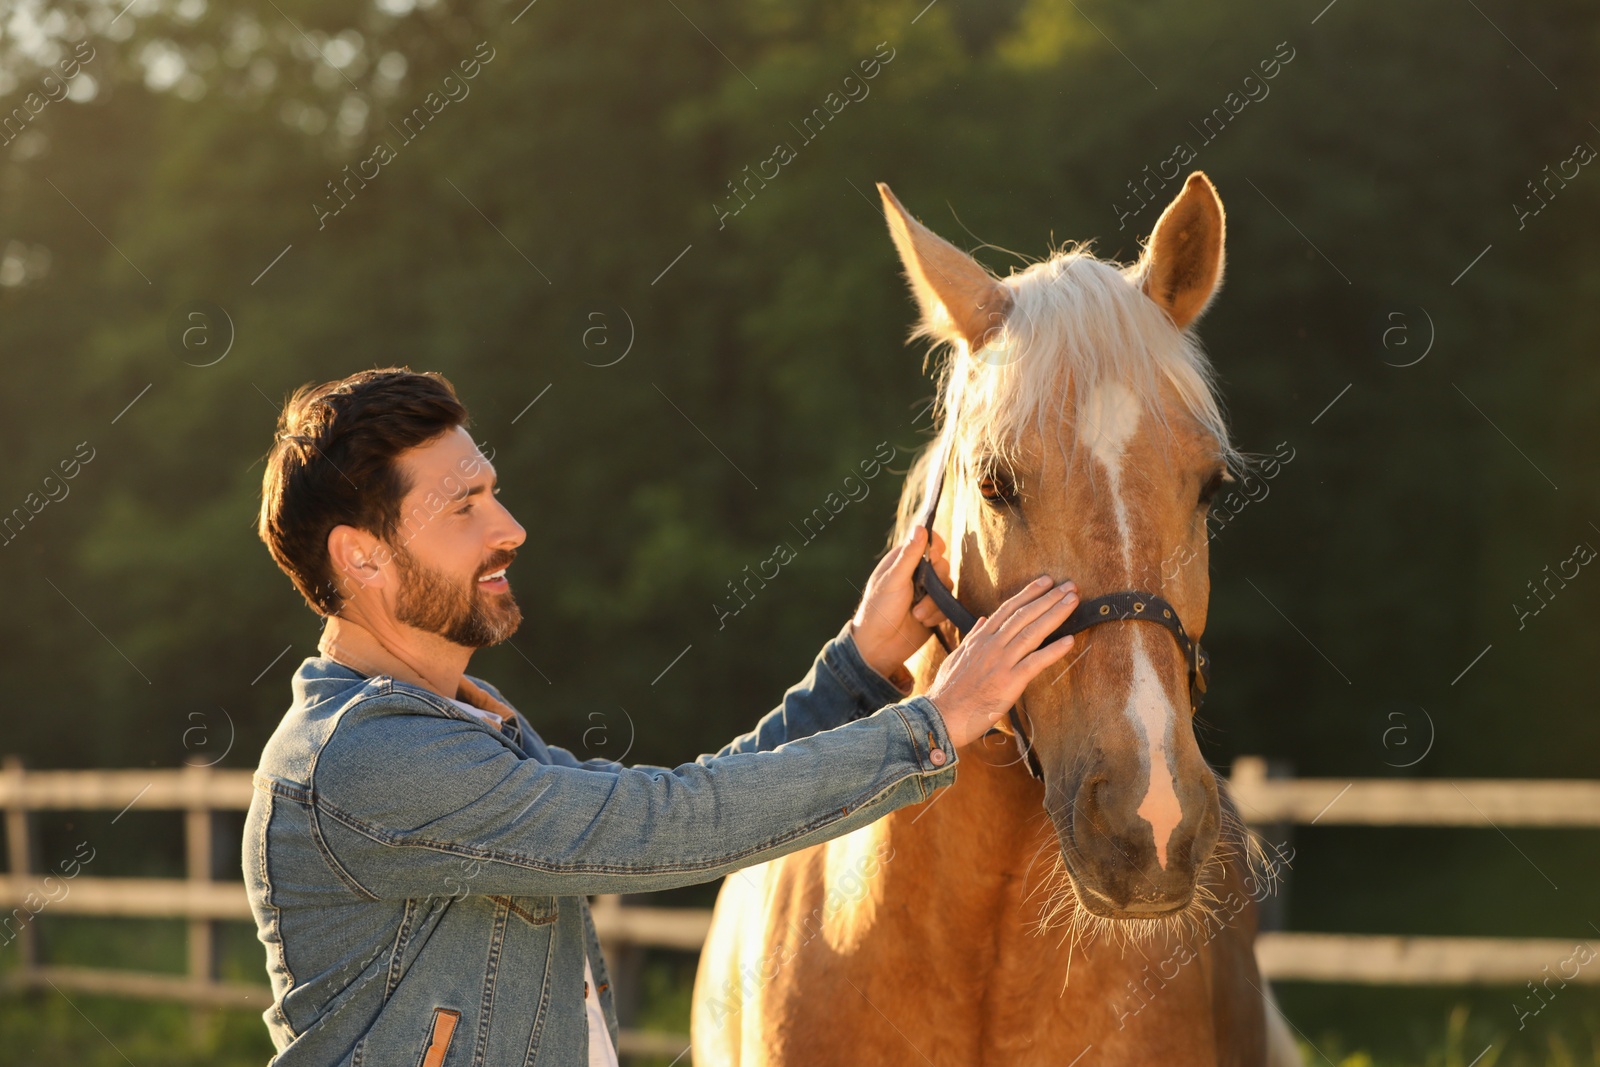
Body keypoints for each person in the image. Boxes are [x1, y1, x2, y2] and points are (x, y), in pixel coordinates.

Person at [246, 367, 1080, 1066]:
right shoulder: (367, 759)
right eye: (464, 507)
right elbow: (663, 827)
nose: (511, 528)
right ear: (361, 554)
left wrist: (860, 664)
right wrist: (934, 721)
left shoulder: (460, 725)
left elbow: (684, 798)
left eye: (494, 492)